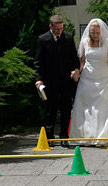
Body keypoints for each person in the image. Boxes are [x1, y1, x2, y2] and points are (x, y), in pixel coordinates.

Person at [34, 15, 80, 148]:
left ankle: (64, 137)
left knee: (66, 110)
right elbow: (38, 62)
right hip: (49, 82)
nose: (59, 31)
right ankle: (49, 137)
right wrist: (39, 80)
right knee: (50, 111)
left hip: (66, 81)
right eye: (57, 29)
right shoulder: (42, 39)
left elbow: (74, 57)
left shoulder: (69, 38)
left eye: (61, 28)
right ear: (51, 27)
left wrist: (76, 70)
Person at [69, 18, 108, 146]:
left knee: (101, 110)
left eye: (97, 33)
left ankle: (100, 137)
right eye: (92, 33)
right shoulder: (84, 42)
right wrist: (78, 71)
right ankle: (84, 137)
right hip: (87, 79)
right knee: (84, 108)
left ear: (101, 32)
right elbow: (83, 60)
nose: (95, 35)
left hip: (103, 79)